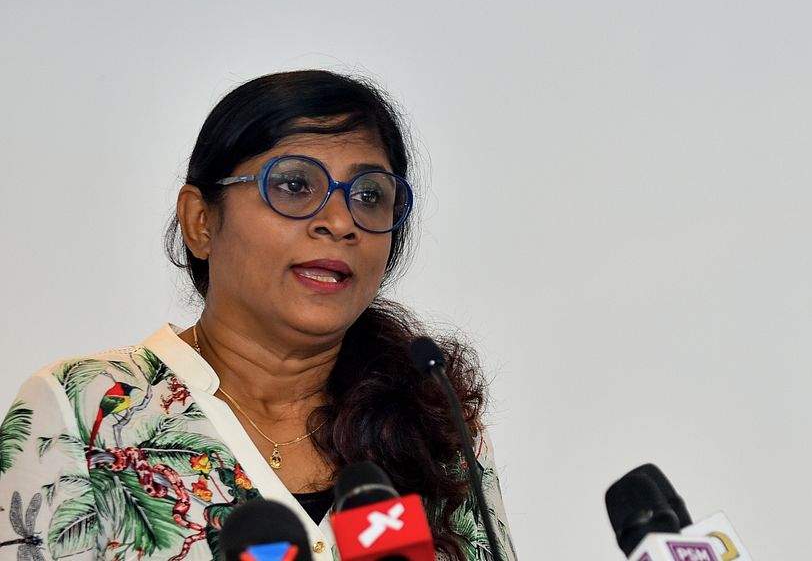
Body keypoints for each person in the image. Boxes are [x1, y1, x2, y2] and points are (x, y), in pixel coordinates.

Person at [0, 70, 516, 561]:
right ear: (200, 222)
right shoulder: (83, 409)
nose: (340, 221)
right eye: (294, 185)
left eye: (368, 195)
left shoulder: (436, 426)